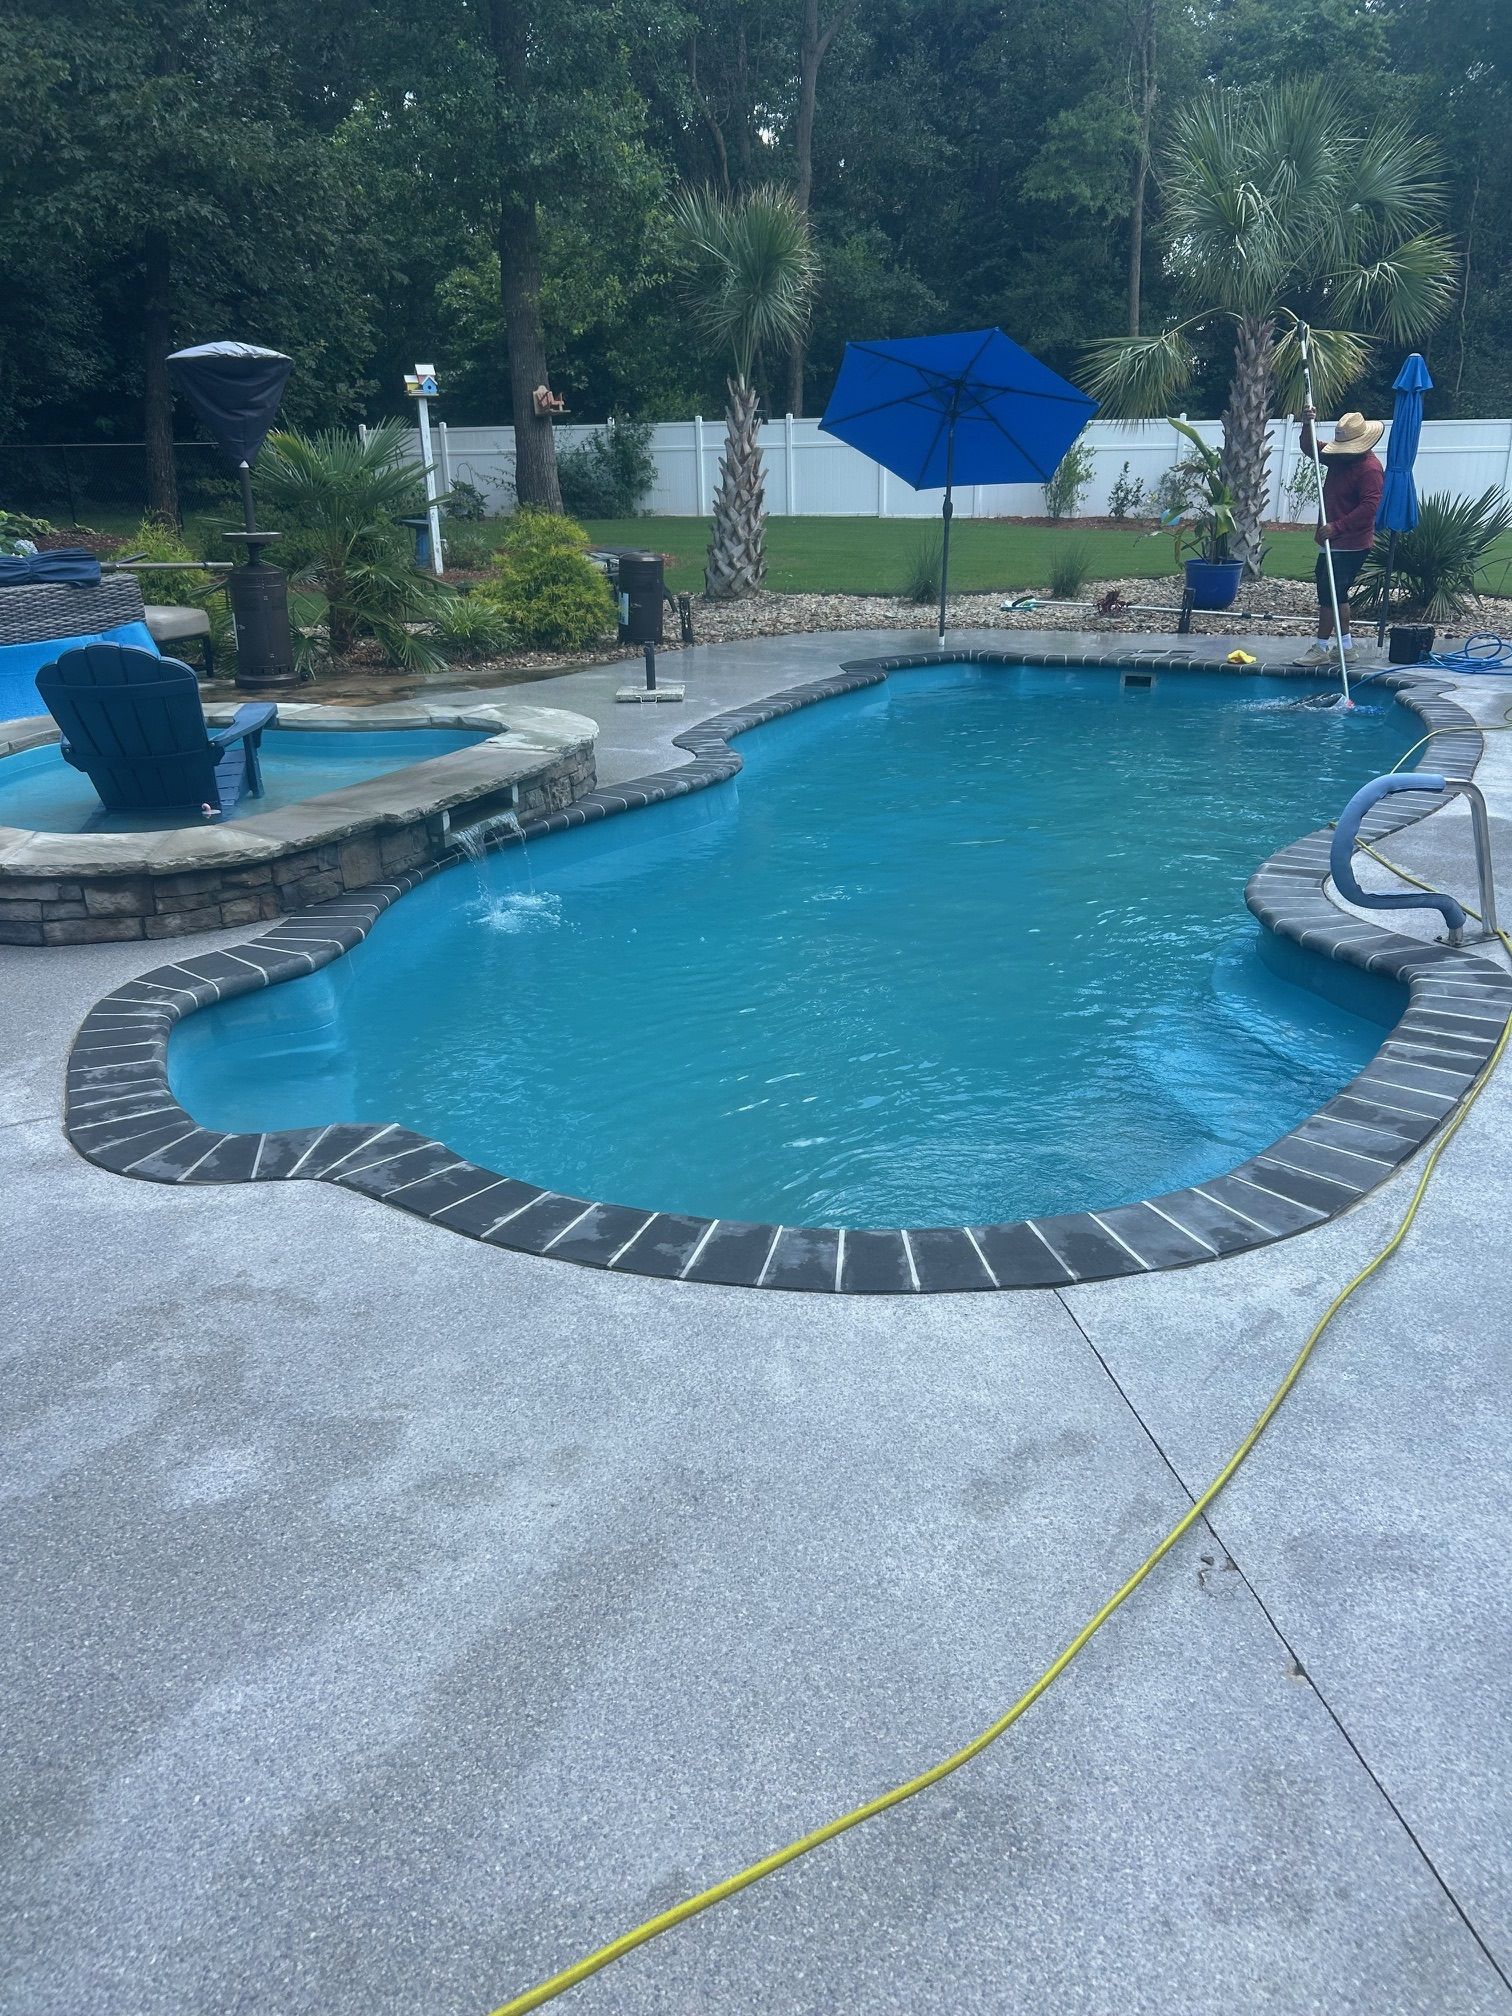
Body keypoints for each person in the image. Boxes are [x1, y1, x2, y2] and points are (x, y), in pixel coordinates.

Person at [1294, 408, 1384, 664]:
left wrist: (1336, 527)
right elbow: (1310, 448)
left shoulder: (1370, 469)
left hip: (1351, 543)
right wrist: (1307, 424)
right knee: (1336, 594)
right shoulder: (1339, 457)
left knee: (1329, 594)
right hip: (1332, 540)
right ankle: (1346, 648)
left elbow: (1369, 509)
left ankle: (1321, 649)